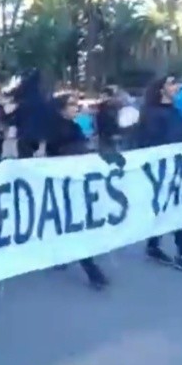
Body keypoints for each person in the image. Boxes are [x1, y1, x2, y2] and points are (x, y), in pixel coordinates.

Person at [136, 75, 182, 275]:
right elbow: (149, 143)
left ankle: (153, 247)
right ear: (161, 89)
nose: (177, 87)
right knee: (178, 209)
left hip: (178, 168)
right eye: (172, 83)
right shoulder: (151, 114)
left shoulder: (174, 112)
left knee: (167, 209)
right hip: (163, 171)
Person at [45, 94, 110, 290]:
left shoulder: (73, 126)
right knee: (74, 223)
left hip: (76, 180)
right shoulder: (56, 129)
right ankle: (91, 270)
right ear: (61, 109)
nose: (76, 107)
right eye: (71, 104)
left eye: (76, 104)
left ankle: (62, 255)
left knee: (69, 222)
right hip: (65, 181)